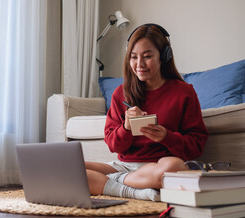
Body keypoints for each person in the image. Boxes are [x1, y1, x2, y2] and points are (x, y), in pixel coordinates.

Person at [85, 24, 209, 201]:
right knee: (69, 167)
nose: (139, 64)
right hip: (124, 167)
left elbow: (197, 144)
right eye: (133, 57)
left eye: (147, 56)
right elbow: (113, 145)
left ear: (164, 56)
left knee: (174, 167)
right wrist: (126, 127)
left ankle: (109, 184)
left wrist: (166, 136)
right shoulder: (121, 93)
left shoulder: (184, 92)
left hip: (160, 165)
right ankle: (133, 192)